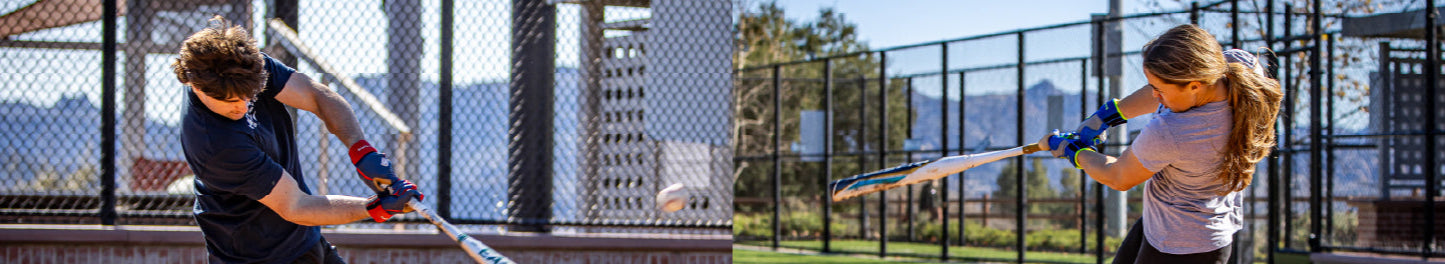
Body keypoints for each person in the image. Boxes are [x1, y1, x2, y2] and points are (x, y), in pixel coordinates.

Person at [176, 16, 424, 264]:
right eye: (231, 102)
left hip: (304, 239)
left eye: (249, 97)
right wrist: (375, 208)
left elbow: (317, 96)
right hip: (257, 256)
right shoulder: (215, 145)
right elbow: (297, 205)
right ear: (196, 86)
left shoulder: (243, 66)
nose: (242, 107)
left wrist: (361, 149)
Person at [1039, 24, 1281, 264]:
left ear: (1195, 85)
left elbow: (1118, 176)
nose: (1155, 96)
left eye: (1160, 90)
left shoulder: (1174, 131)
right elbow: (1167, 86)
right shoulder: (1236, 69)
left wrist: (1073, 151)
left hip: (1180, 249)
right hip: (1179, 228)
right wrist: (1107, 116)